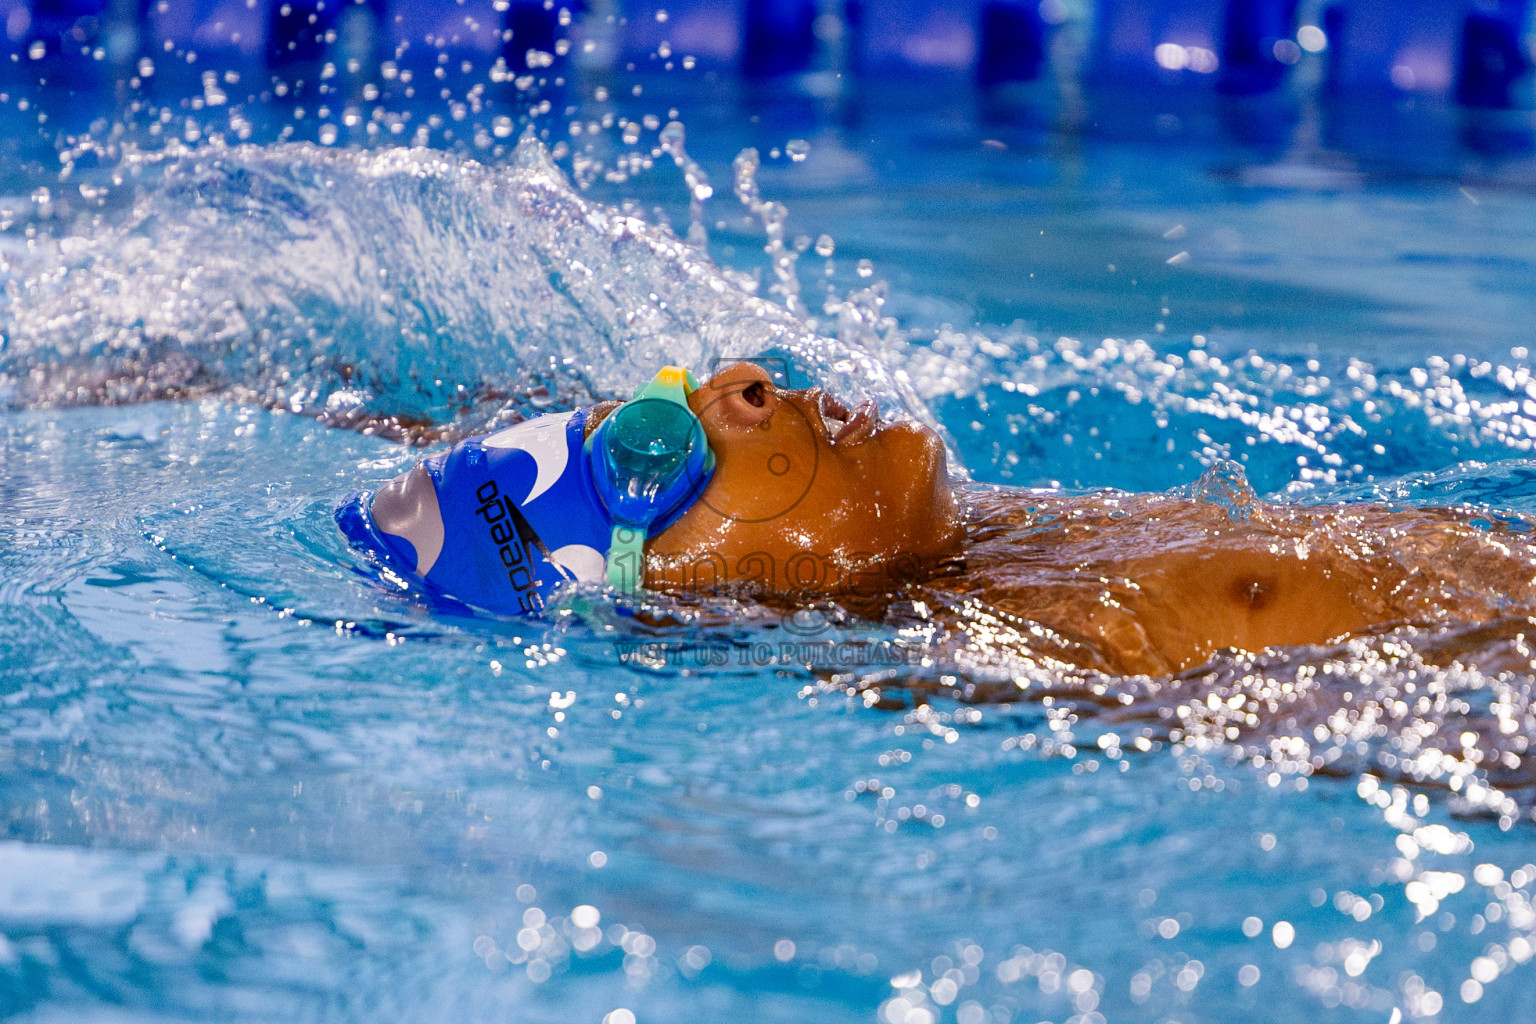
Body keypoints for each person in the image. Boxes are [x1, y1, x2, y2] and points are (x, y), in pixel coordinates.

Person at [338, 359, 1536, 675]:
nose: (739, 384)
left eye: (666, 395)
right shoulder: (981, 654)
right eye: (657, 456)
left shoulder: (990, 543)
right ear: (685, 599)